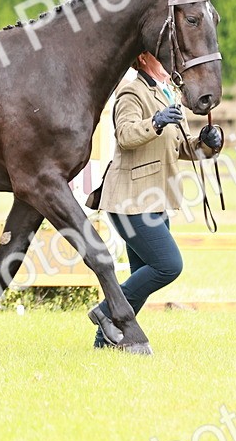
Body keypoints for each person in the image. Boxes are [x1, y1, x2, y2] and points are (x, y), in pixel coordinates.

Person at [87, 51, 224, 348]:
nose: (168, 60)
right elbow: (124, 135)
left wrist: (207, 144)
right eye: (159, 56)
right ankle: (106, 310)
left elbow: (182, 148)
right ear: (143, 59)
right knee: (168, 265)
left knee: (142, 277)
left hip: (157, 199)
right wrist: (156, 121)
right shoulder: (131, 91)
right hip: (129, 200)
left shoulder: (169, 91)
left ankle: (105, 340)